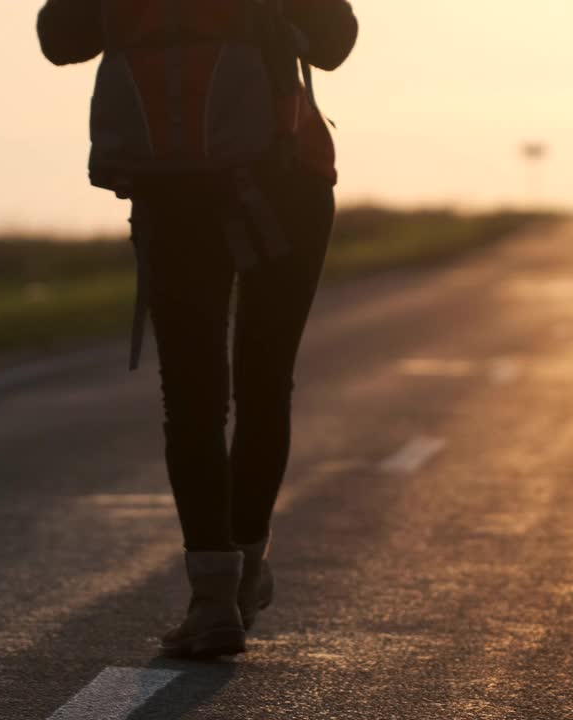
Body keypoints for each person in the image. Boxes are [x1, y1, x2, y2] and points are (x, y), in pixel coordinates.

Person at [36, 0, 358, 657]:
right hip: (284, 182)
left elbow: (59, 40)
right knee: (265, 385)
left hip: (173, 194)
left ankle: (213, 598)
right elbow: (334, 43)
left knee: (191, 399)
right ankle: (243, 575)